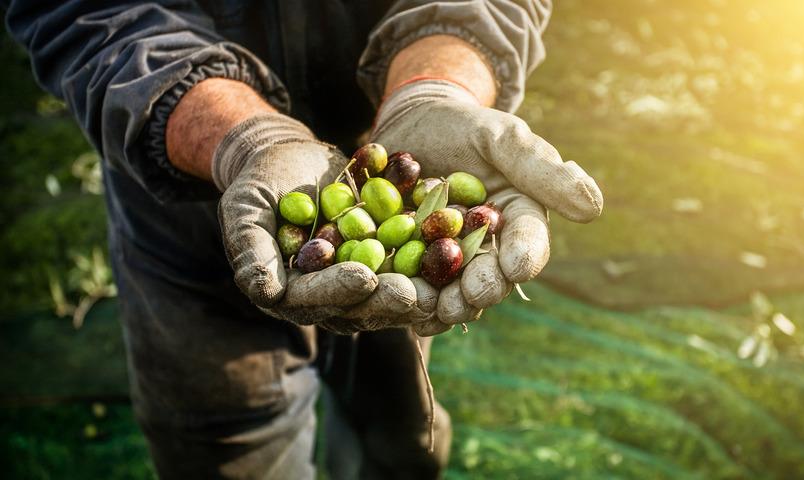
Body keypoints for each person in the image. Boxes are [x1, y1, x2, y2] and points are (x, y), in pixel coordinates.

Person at [3, 1, 602, 478]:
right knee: (226, 445)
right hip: (187, 200)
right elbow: (85, 12)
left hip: (394, 149)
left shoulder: (407, 213)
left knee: (401, 431)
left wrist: (434, 87)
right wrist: (247, 139)